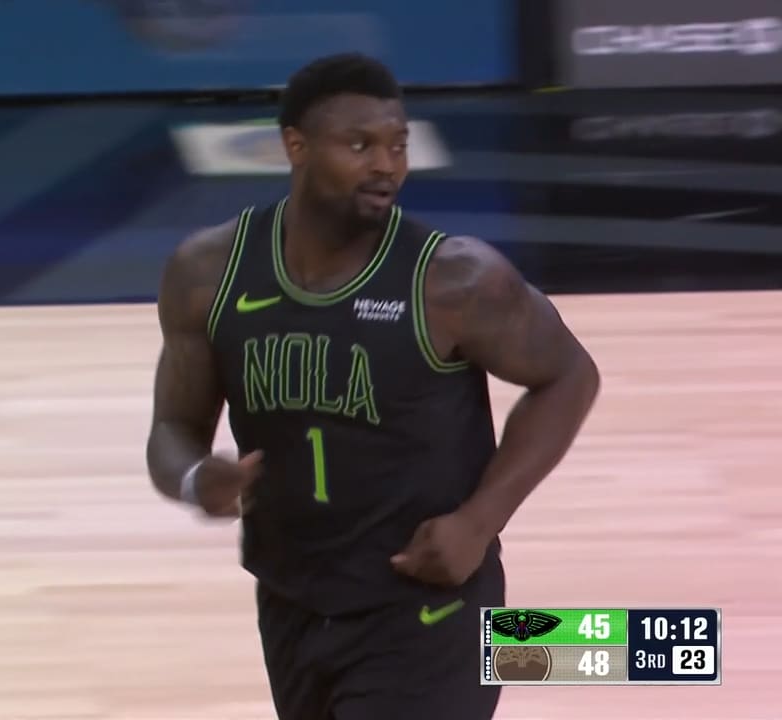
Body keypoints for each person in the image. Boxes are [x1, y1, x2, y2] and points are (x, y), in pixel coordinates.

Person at [145, 53, 601, 719]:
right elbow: (172, 428)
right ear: (295, 146)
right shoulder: (209, 272)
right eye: (359, 145)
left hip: (427, 610)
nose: (387, 165)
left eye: (398, 144)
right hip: (293, 601)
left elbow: (569, 375)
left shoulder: (454, 280)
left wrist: (481, 521)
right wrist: (195, 480)